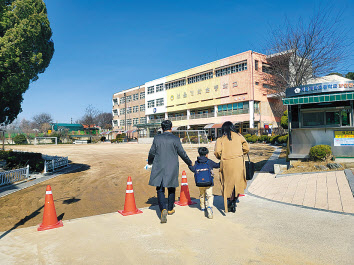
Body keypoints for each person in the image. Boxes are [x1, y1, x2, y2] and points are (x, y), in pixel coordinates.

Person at [147, 120, 193, 223]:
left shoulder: (157, 138)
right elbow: (182, 153)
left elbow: (152, 152)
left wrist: (150, 162)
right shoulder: (175, 139)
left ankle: (163, 208)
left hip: (159, 165)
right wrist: (189, 163)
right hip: (172, 166)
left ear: (162, 128)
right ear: (171, 128)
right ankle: (170, 209)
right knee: (171, 188)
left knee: (160, 188)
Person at [214, 121, 249, 213]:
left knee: (227, 183)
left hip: (226, 162)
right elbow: (246, 148)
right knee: (237, 181)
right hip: (238, 162)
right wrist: (240, 154)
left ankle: (229, 201)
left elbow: (217, 152)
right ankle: (234, 201)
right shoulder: (239, 136)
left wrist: (221, 157)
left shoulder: (221, 139)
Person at [188, 147, 220, 219]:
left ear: (199, 154)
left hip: (199, 183)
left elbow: (193, 169)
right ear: (206, 154)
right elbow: (217, 165)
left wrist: (189, 164)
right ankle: (209, 207)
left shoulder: (197, 162)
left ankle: (202, 207)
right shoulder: (209, 162)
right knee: (209, 195)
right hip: (209, 183)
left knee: (202, 195)